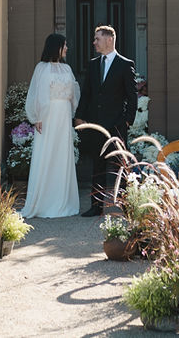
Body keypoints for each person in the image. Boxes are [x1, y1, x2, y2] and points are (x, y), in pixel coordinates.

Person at [73, 25, 137, 217]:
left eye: (97, 39)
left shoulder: (125, 64)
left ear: (109, 39)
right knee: (97, 166)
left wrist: (127, 121)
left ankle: (126, 206)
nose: (94, 42)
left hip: (117, 125)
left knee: (121, 167)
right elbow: (87, 93)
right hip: (95, 124)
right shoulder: (93, 64)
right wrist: (79, 116)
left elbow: (132, 97)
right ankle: (96, 206)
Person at [20, 33, 81, 218]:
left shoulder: (67, 68)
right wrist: (37, 117)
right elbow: (37, 93)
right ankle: (44, 202)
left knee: (62, 156)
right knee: (47, 154)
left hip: (63, 116)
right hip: (47, 117)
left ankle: (63, 200)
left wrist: (72, 110)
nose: (67, 48)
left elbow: (74, 91)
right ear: (56, 47)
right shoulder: (41, 68)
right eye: (64, 45)